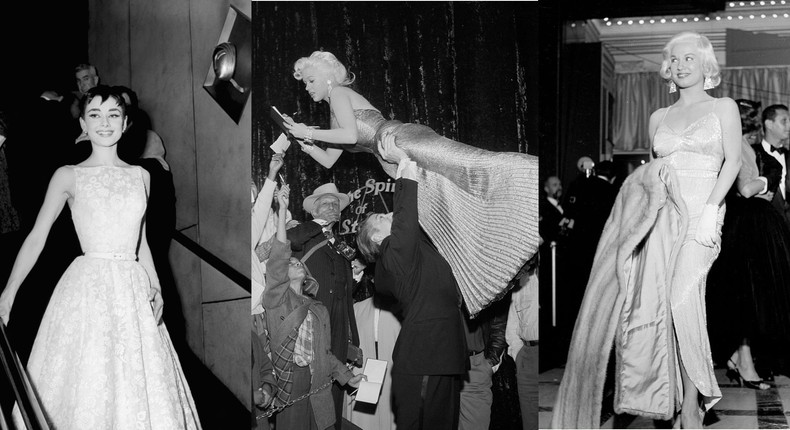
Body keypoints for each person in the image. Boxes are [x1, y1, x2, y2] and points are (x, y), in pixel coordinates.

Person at [552, 31, 741, 429]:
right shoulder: (658, 117)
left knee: (681, 298)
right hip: (662, 219)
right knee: (659, 308)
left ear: (705, 64)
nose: (680, 65)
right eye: (674, 60)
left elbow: (734, 162)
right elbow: (651, 176)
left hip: (704, 215)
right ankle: (671, 397)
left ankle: (693, 403)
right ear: (667, 68)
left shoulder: (724, 107)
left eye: (689, 58)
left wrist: (710, 211)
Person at [0, 85, 201, 429]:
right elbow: (37, 237)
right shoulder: (68, 175)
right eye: (95, 115)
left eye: (113, 115)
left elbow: (140, 243)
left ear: (125, 125)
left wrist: (156, 285)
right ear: (84, 124)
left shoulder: (142, 176)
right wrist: (9, 291)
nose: (104, 123)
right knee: (88, 380)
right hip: (87, 288)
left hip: (132, 290)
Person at [282, 50, 538, 316]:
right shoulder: (333, 113)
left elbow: (350, 134)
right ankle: (498, 251)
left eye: (311, 80)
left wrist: (309, 131)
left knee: (471, 165)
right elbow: (329, 160)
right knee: (445, 208)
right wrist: (306, 143)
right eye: (305, 84)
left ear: (326, 78)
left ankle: (532, 177)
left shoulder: (338, 94)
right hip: (390, 157)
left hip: (400, 140)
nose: (307, 88)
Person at [356, 132, 468, 429]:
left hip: (442, 355)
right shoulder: (390, 255)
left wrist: (408, 169)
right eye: (381, 218)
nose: (389, 213)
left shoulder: (411, 252)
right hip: (425, 358)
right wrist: (403, 166)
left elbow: (416, 217)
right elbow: (405, 219)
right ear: (376, 237)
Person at [263, 185, 364, 430]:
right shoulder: (304, 232)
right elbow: (287, 244)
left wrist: (355, 277)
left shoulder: (339, 244)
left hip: (331, 321)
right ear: (314, 210)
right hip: (303, 321)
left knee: (330, 394)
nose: (333, 207)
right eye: (326, 203)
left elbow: (344, 290)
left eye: (336, 205)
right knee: (299, 408)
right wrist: (318, 223)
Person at [707, 99, 790, 388]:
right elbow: (744, 187)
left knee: (748, 297)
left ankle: (740, 358)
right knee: (749, 296)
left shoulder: (736, 147)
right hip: (744, 228)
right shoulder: (738, 146)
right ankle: (741, 361)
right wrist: (759, 188)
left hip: (741, 226)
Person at [754, 104, 790, 227]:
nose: (789, 126)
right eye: (784, 121)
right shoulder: (751, 153)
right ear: (769, 124)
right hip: (762, 226)